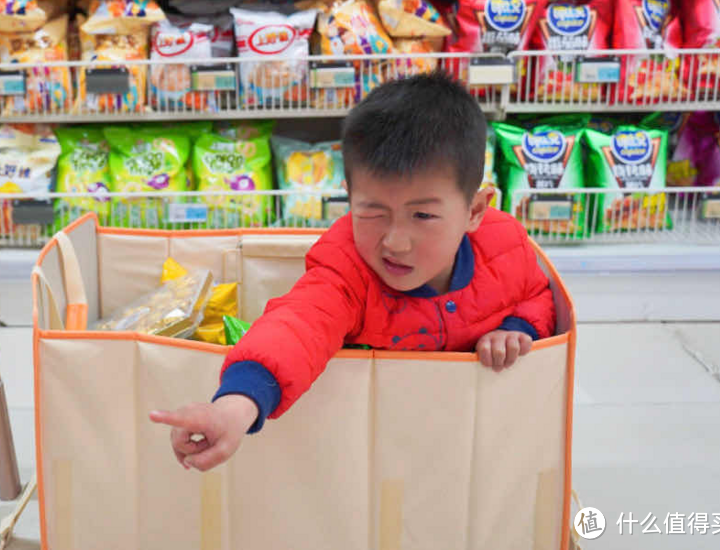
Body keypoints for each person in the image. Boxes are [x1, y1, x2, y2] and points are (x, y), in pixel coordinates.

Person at [150, 71, 556, 472]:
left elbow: (536, 294)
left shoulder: (504, 245)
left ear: (475, 210)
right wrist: (235, 406)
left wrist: (519, 327)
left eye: (423, 215)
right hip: (373, 456)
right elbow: (299, 325)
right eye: (373, 212)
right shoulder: (345, 267)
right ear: (349, 197)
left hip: (471, 451)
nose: (395, 241)